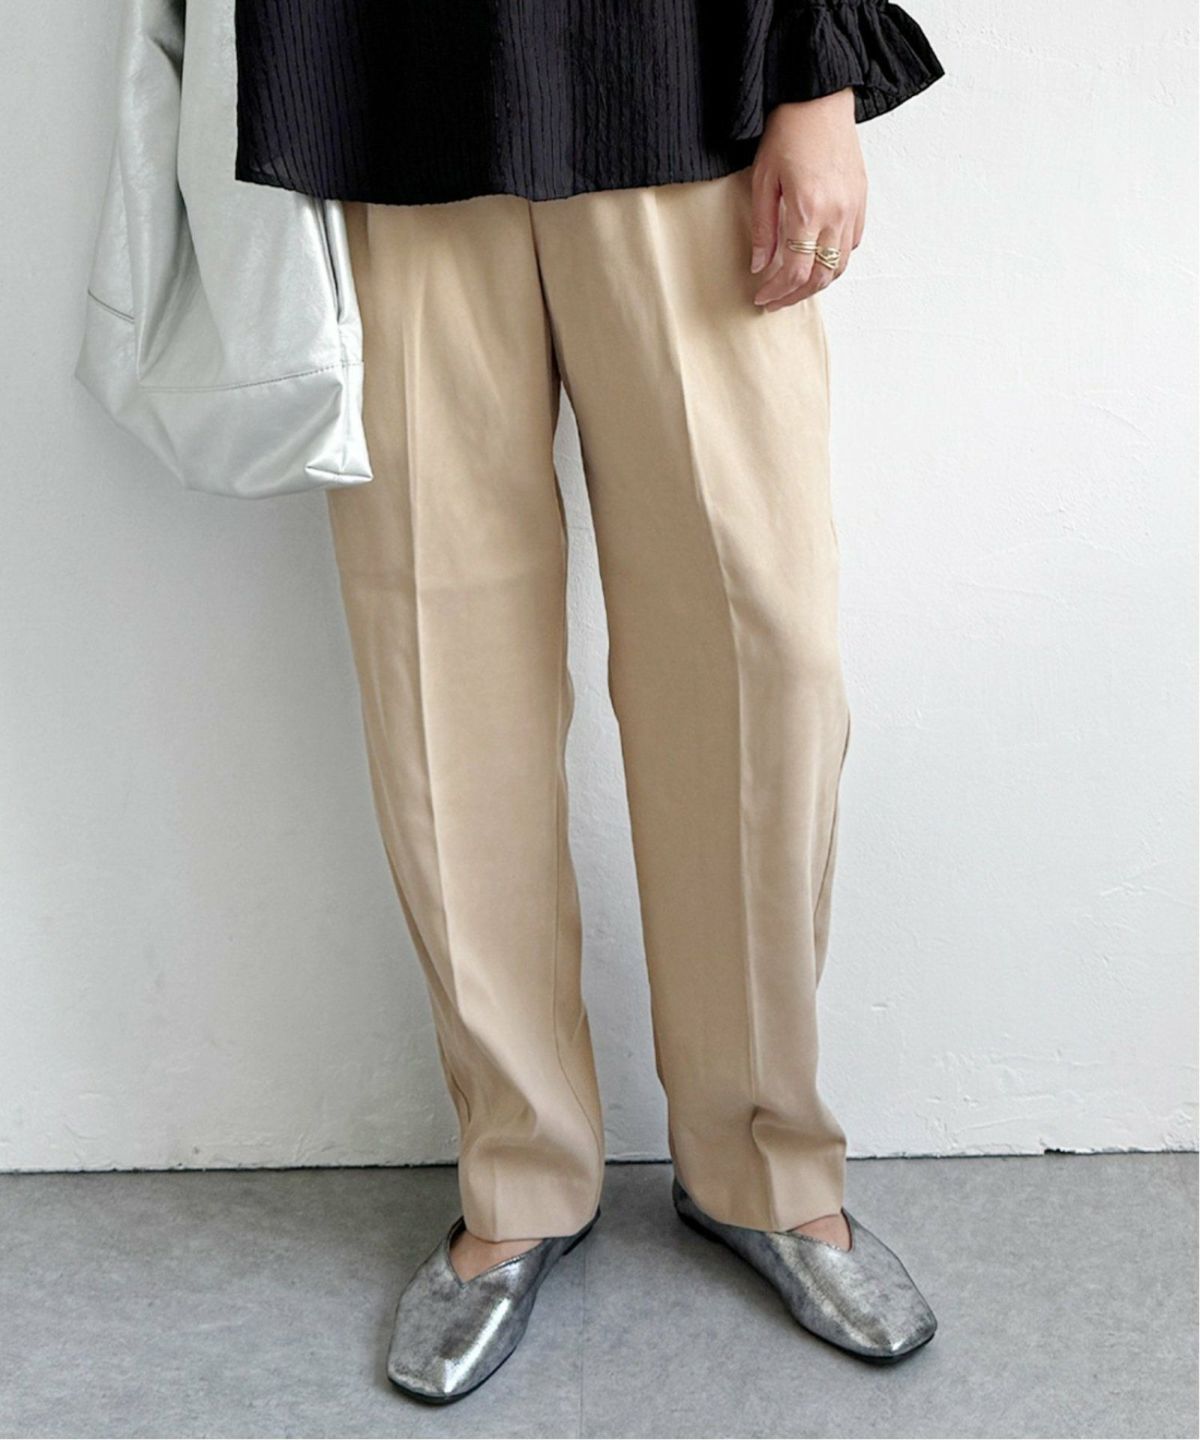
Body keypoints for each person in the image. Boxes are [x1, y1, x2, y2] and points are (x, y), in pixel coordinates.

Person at [234, 0, 946, 1403]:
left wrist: (819, 85)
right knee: (438, 663)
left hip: (689, 81)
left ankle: (766, 1165)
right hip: (394, 99)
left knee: (760, 652)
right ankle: (517, 1175)